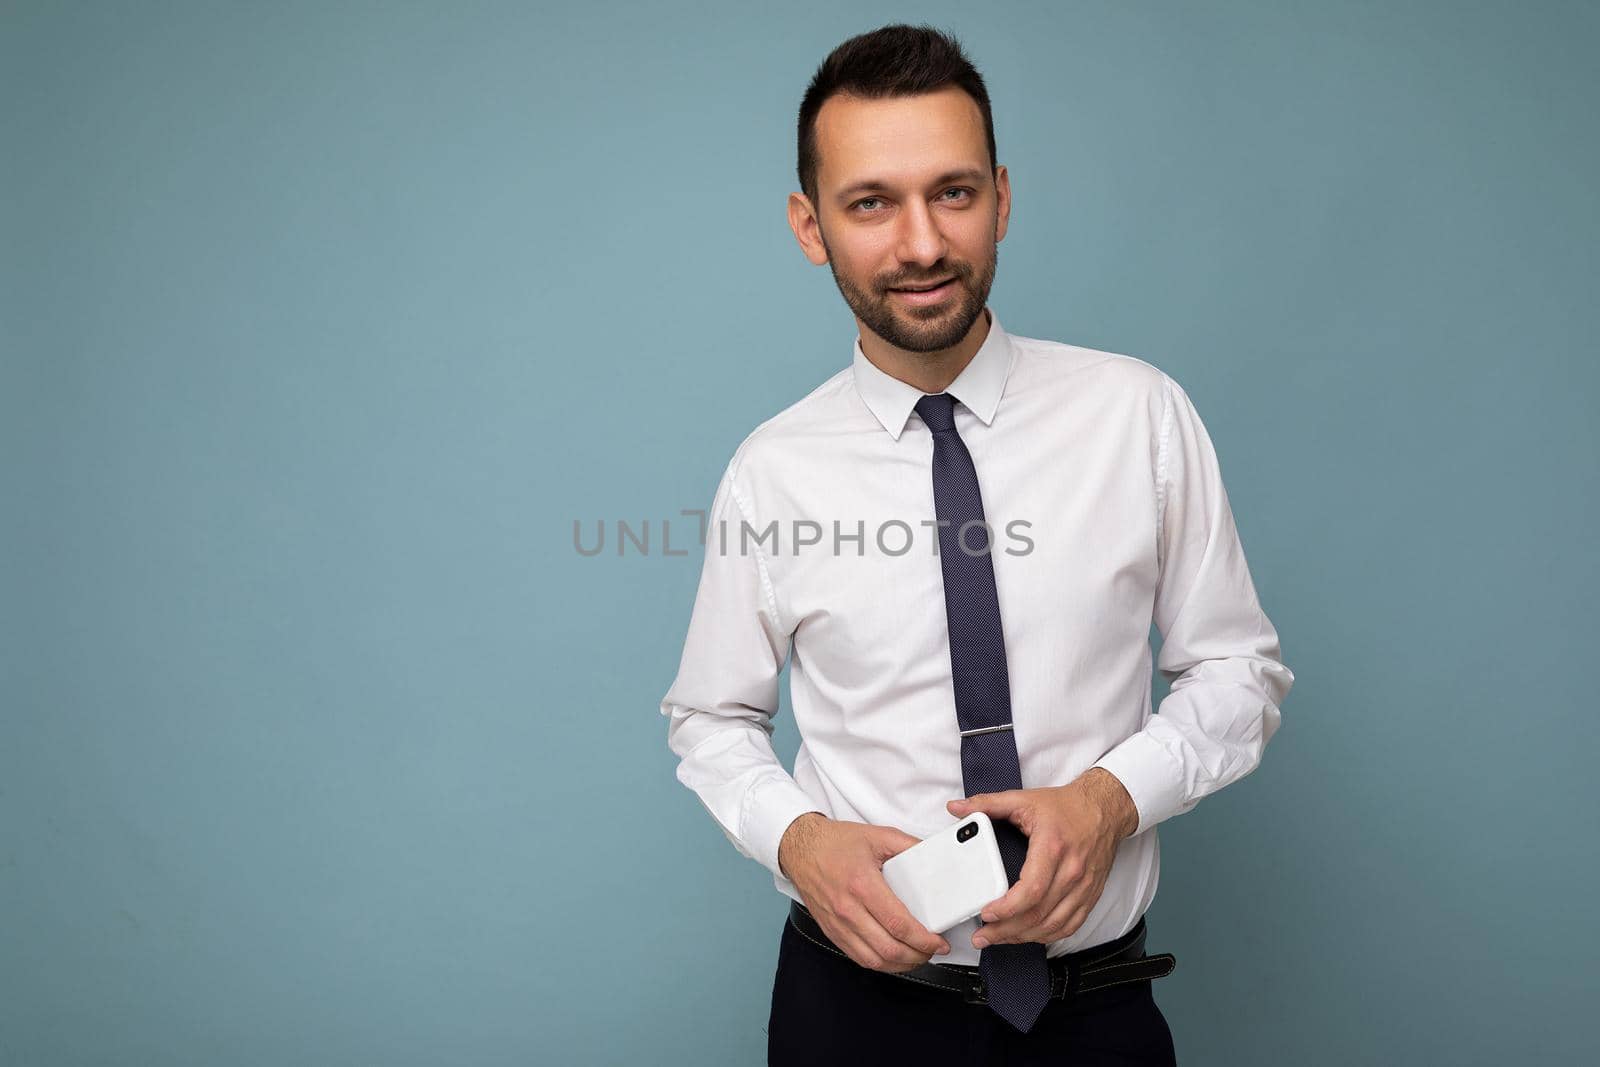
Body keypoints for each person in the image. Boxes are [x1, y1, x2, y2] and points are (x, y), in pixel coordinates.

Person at [658, 23, 1294, 1066]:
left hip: (1092, 1012)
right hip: (851, 1015)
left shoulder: (1138, 415)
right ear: (809, 225)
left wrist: (1110, 798)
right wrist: (797, 838)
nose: (919, 243)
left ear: (1001, 196)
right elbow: (709, 716)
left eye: (951, 192)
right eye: (871, 202)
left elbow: (1238, 668)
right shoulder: (772, 470)